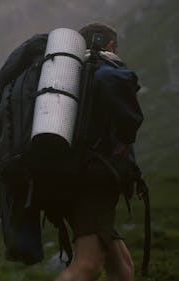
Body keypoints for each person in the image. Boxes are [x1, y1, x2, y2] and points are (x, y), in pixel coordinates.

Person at [53, 23, 144, 281]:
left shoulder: (70, 77)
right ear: (112, 46)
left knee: (121, 264)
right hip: (92, 180)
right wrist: (125, 141)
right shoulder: (105, 72)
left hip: (65, 175)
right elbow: (129, 121)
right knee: (88, 265)